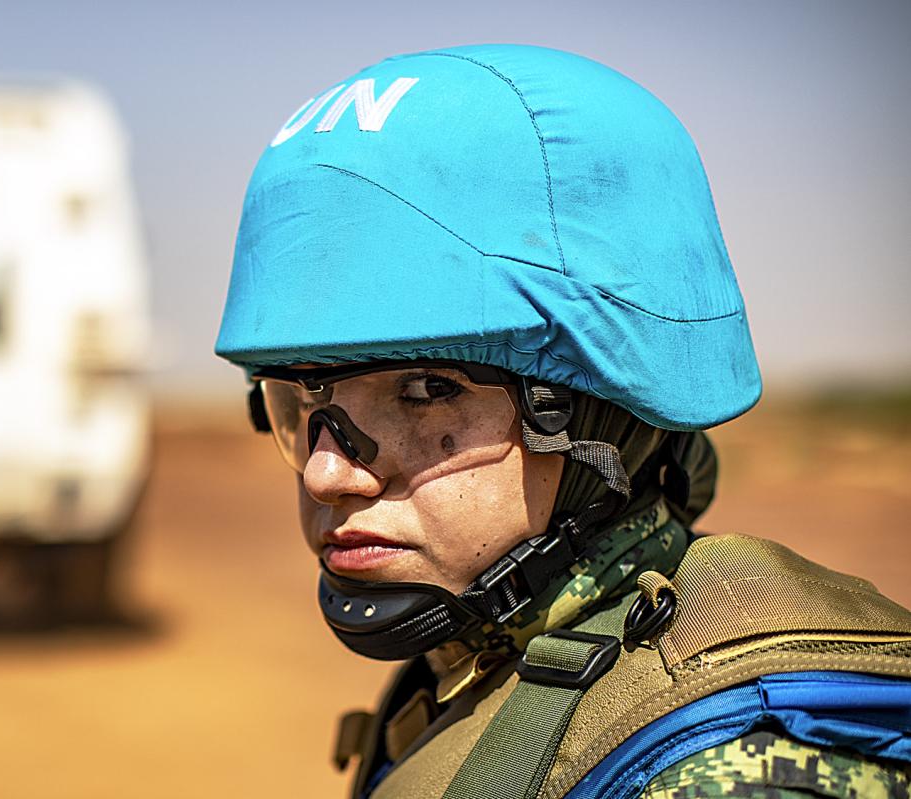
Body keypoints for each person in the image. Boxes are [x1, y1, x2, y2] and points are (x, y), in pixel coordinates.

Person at [214, 45, 911, 798]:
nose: (326, 474)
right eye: (303, 406)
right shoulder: (481, 656)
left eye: (425, 390)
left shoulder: (729, 773)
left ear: (595, 416)